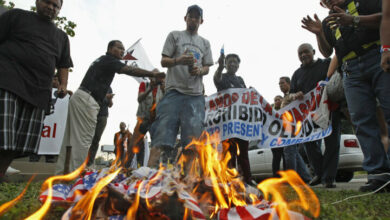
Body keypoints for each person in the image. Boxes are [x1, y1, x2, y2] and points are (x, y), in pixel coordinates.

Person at [302, 0, 390, 192]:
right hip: (351, 72)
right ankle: (378, 175)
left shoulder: (365, 2)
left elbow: (385, 19)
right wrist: (319, 33)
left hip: (377, 57)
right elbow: (327, 50)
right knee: (362, 121)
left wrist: (353, 20)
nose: (328, 1)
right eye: (324, 0)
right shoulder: (328, 22)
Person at [55, 40, 165, 174]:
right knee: (83, 140)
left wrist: (104, 97)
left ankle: (62, 174)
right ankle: (73, 176)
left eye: (124, 50)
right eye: (120, 48)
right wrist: (152, 74)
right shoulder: (109, 60)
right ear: (110, 48)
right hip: (87, 101)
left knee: (70, 139)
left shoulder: (102, 60)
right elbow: (129, 69)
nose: (122, 52)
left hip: (81, 97)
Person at [0, 0, 73, 178]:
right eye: (48, 2)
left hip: (39, 92)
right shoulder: (16, 16)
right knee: (2, 134)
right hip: (7, 81)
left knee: (20, 142)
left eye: (56, 6)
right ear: (37, 2)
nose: (51, 7)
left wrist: (63, 85)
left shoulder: (61, 37)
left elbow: (64, 65)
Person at [149, 5, 213, 167]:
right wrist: (178, 60)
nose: (193, 20)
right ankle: (148, 176)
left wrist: (199, 71)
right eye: (190, 16)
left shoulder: (205, 43)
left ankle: (188, 182)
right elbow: (164, 61)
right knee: (162, 137)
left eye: (196, 17)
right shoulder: (175, 36)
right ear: (185, 18)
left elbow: (207, 67)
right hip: (173, 93)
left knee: (191, 142)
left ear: (201, 21)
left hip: (195, 96)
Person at [289, 43, 341, 188]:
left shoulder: (326, 64)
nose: (303, 55)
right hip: (308, 116)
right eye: (300, 54)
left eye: (306, 52)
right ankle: (320, 173)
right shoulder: (297, 74)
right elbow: (291, 94)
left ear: (313, 51)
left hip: (329, 109)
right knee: (309, 144)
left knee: (332, 143)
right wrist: (295, 95)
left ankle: (329, 178)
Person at [213, 53, 252, 184]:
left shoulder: (240, 80)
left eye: (236, 62)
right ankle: (230, 181)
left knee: (244, 153)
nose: (233, 64)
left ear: (238, 65)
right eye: (230, 62)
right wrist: (219, 68)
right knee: (230, 153)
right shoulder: (222, 77)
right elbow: (216, 79)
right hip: (227, 122)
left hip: (241, 122)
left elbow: (245, 98)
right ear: (225, 64)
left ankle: (246, 180)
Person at [127, 71, 165, 167]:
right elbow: (139, 99)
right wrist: (150, 89)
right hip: (143, 119)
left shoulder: (163, 87)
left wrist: (164, 89)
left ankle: (151, 169)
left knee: (156, 146)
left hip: (156, 121)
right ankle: (124, 167)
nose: (157, 79)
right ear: (151, 77)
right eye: (155, 76)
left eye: (159, 77)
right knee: (133, 145)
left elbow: (168, 102)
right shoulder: (144, 84)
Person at [279, 76, 312, 183]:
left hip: (291, 129)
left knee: (289, 152)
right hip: (287, 128)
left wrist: (296, 95)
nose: (280, 85)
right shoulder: (284, 98)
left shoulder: (289, 95)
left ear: (289, 84)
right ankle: (306, 177)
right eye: (279, 84)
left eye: (282, 83)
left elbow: (294, 97)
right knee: (294, 154)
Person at [87, 87, 114, 167]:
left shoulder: (109, 88)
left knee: (96, 139)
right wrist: (105, 96)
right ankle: (82, 160)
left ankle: (90, 162)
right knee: (87, 138)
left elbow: (110, 105)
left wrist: (110, 99)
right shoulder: (94, 83)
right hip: (92, 114)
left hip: (103, 116)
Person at [271, 95, 286, 177]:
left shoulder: (286, 109)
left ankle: (285, 176)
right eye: (275, 100)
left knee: (285, 158)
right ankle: (276, 176)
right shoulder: (272, 112)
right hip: (275, 139)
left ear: (282, 100)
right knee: (276, 158)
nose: (276, 101)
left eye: (278, 99)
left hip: (285, 138)